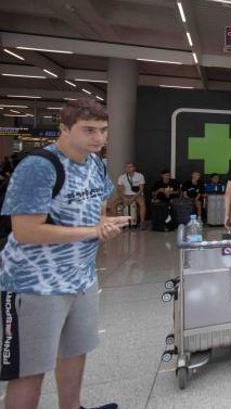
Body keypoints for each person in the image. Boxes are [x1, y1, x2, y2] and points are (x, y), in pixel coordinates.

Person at [0, 99, 129, 409]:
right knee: (29, 369)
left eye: (103, 130)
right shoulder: (39, 166)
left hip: (81, 279)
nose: (99, 138)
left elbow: (98, 212)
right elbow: (25, 231)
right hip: (34, 285)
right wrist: (93, 232)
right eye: (89, 130)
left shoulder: (96, 164)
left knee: (74, 351)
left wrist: (104, 225)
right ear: (64, 129)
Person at [116, 161, 147, 229]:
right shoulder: (121, 177)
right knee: (113, 204)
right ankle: (120, 223)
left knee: (142, 204)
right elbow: (119, 190)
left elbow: (141, 189)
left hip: (136, 195)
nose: (128, 168)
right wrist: (124, 198)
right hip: (126, 195)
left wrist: (133, 198)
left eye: (130, 167)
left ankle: (142, 222)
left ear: (134, 168)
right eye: (126, 167)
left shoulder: (140, 176)